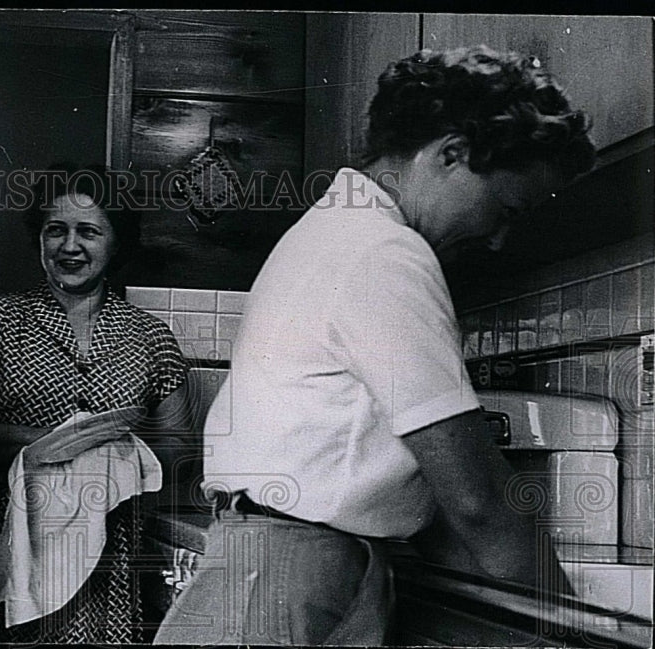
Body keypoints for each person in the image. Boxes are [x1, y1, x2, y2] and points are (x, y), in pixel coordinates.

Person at [154, 45, 596, 645]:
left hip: (276, 565)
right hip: (296, 575)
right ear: (451, 155)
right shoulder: (384, 253)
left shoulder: (337, 230)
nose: (497, 239)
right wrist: (576, 625)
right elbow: (475, 499)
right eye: (504, 208)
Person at [0, 164, 190, 644]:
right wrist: (55, 444)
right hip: (11, 546)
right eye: (55, 230)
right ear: (38, 239)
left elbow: (179, 448)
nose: (70, 246)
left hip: (110, 561)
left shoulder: (150, 337)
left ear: (115, 243)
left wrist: (116, 456)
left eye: (89, 232)